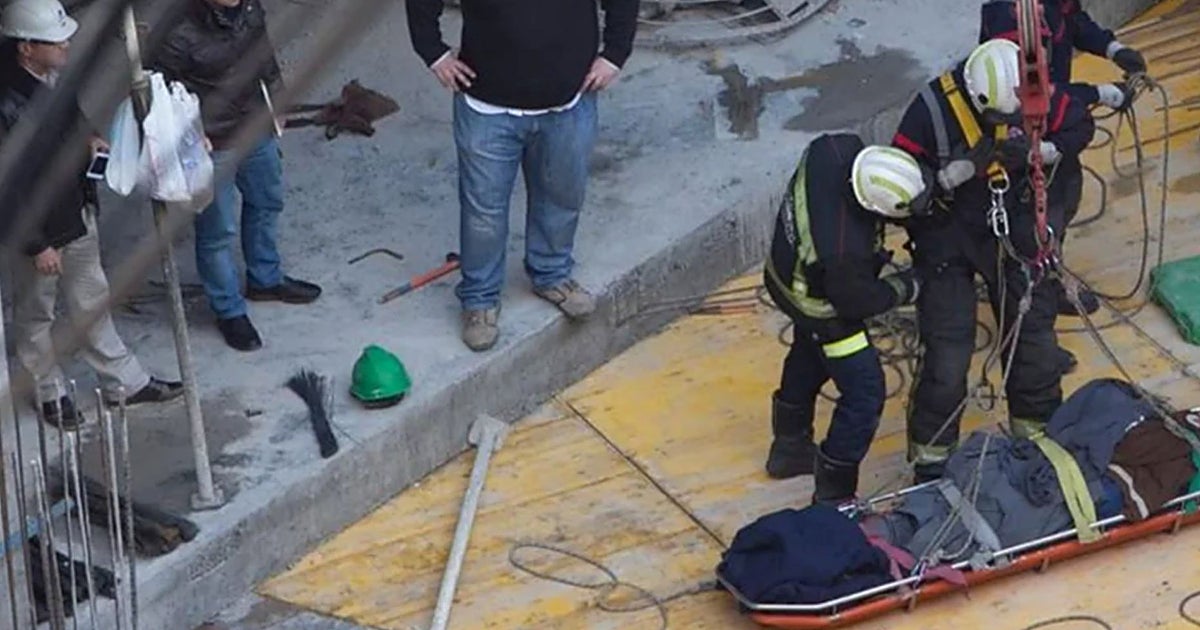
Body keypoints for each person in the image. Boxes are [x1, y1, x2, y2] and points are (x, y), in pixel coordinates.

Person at [891, 39, 1099, 482]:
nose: (1009, 125)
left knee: (1032, 336)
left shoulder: (1031, 88)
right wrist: (954, 174)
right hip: (946, 233)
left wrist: (1042, 153)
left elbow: (1079, 125)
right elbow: (902, 188)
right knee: (948, 353)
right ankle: (932, 463)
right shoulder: (931, 111)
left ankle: (1038, 440)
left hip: (1013, 220)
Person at [405, 0, 639, 352]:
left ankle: (552, 275)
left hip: (568, 103)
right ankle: (479, 301)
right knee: (483, 212)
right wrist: (433, 52)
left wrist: (615, 53)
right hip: (486, 108)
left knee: (562, 195)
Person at [1, 0, 183, 428]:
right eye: (55, 40)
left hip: (74, 209)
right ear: (26, 48)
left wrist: (89, 138)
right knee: (36, 314)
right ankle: (47, 391)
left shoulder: (48, 78)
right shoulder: (6, 103)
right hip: (39, 230)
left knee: (92, 299)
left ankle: (125, 381)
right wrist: (37, 244)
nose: (67, 43)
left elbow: (70, 116)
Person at [762, 133, 928, 505]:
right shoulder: (842, 252)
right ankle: (833, 494)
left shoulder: (834, 149)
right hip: (821, 307)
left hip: (782, 273)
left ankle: (788, 448)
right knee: (865, 390)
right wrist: (908, 286)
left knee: (808, 353)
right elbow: (856, 302)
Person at [151, 0, 321, 353]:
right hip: (213, 142)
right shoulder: (177, 31)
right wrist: (187, 132)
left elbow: (265, 56)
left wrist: (278, 101)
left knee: (267, 201)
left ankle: (265, 278)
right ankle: (228, 309)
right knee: (217, 230)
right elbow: (156, 90)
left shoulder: (248, 8)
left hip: (255, 126)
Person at [979, 0, 1144, 317]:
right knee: (1036, 220)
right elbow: (1031, 89)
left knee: (1064, 199)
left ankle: (1047, 278)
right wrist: (1101, 94)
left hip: (1052, 123)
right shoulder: (1014, 17)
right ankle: (1030, 298)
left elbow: (1073, 21)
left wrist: (1113, 48)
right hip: (1019, 134)